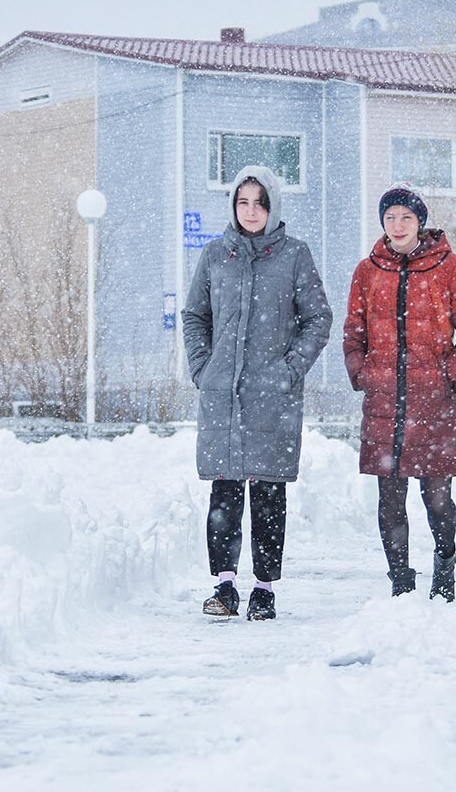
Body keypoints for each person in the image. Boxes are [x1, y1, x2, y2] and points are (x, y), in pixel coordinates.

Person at [182, 165, 333, 621]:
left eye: (260, 202)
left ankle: (264, 589)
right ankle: (225, 588)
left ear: (273, 206)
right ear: (233, 205)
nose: (252, 211)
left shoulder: (294, 256)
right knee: (224, 495)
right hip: (222, 396)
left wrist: (288, 371)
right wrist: (203, 369)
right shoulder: (214, 256)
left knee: (268, 496)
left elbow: (318, 319)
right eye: (243, 202)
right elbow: (194, 316)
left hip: (273, 398)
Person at [343, 184, 456, 601]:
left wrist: (449, 376)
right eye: (390, 217)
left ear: (420, 223)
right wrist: (364, 374)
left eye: (406, 217)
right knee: (390, 501)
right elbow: (353, 336)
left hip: (435, 407)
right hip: (383, 407)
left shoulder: (449, 267)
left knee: (437, 499)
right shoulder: (367, 272)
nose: (398, 225)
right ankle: (401, 584)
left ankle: (445, 570)